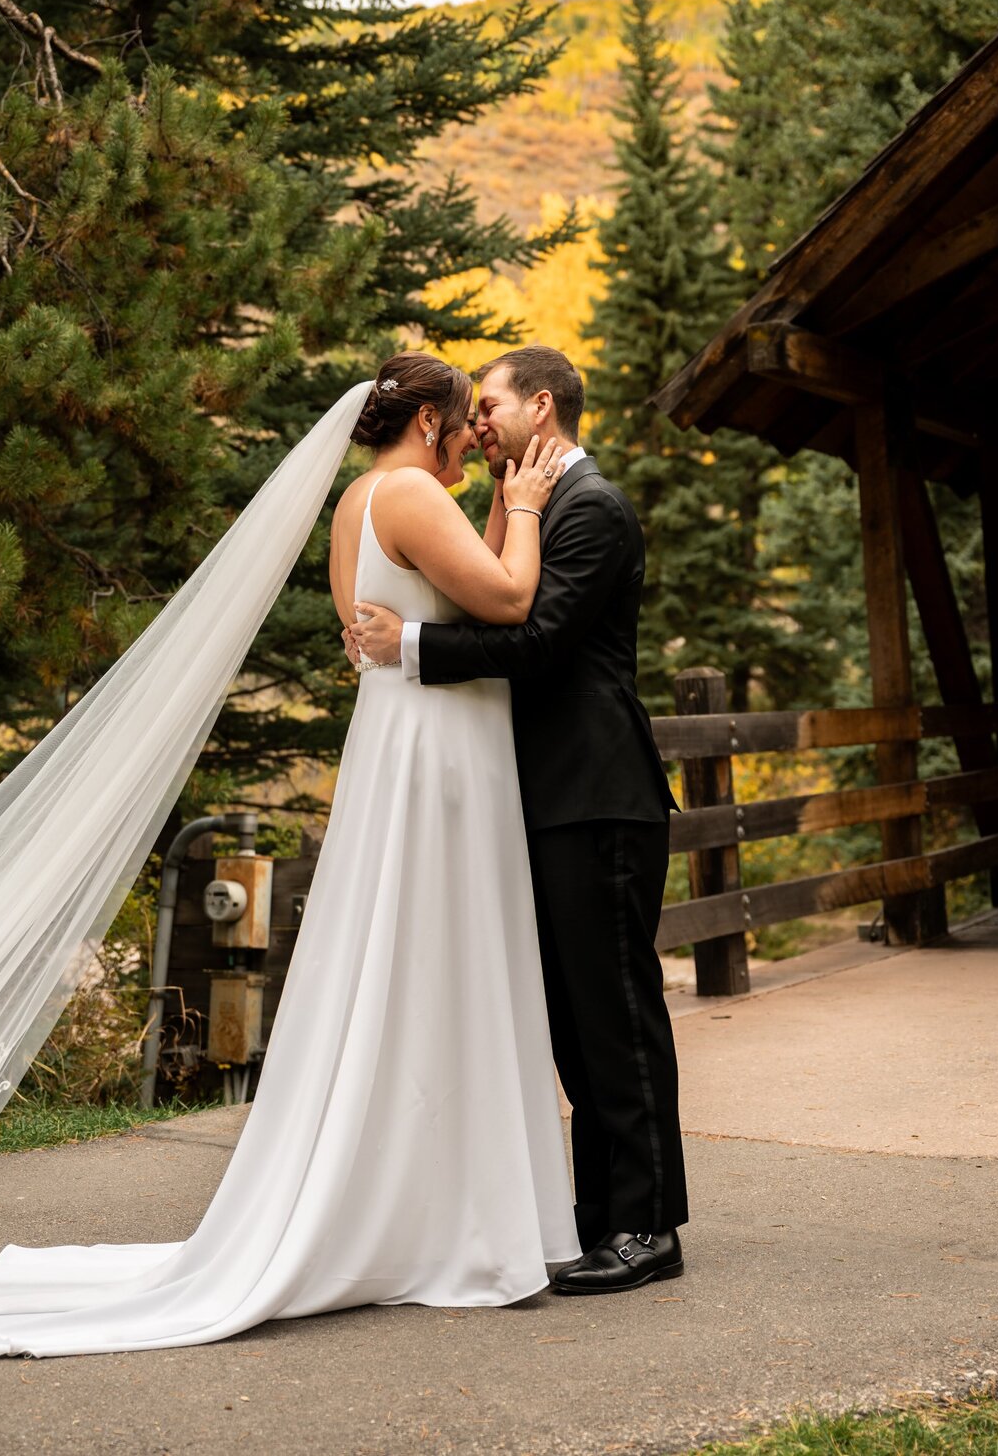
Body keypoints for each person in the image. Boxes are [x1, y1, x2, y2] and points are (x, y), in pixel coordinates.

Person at [0, 352, 581, 1360]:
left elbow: (435, 612)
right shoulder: (411, 496)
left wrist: (484, 522)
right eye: (465, 420)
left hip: (404, 739)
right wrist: (522, 504)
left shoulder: (361, 501)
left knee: (415, 962)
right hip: (438, 753)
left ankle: (430, 1201)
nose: (479, 436)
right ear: (428, 422)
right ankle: (446, 1215)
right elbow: (513, 603)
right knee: (441, 959)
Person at [351, 345, 688, 1296]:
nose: (480, 420)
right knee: (573, 1027)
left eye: (492, 404)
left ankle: (649, 1227)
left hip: (598, 796)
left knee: (616, 1017)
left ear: (543, 408)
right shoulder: (529, 511)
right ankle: (597, 1217)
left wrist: (407, 643)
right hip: (545, 800)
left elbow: (534, 640)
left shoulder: (593, 509)